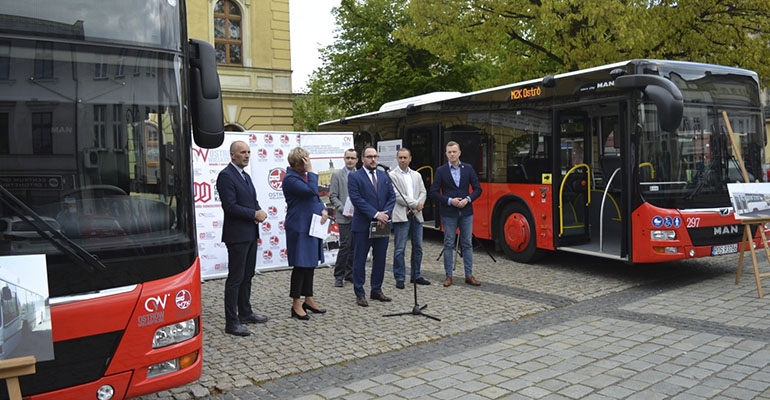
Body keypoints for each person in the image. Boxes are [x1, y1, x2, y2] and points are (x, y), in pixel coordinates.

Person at [216, 140, 269, 336]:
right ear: (233, 155)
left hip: (250, 233)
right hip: (237, 235)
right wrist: (253, 214)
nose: (247, 155)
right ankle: (232, 322)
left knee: (248, 275)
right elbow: (230, 206)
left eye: (248, 152)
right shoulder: (226, 176)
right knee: (235, 279)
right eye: (242, 152)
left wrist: (258, 211)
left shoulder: (245, 176)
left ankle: (245, 313)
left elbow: (251, 201)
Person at [282, 147, 329, 320]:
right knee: (300, 264)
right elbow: (310, 191)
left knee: (310, 263)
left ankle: (308, 298)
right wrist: (311, 171)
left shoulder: (303, 177)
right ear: (296, 164)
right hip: (299, 225)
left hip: (311, 225)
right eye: (304, 162)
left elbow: (315, 198)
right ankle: (296, 303)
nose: (307, 164)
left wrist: (323, 209)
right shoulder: (290, 179)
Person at [429, 141, 483, 287]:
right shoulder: (441, 171)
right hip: (449, 212)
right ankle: (449, 276)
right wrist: (449, 200)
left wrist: (468, 199)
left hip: (466, 211)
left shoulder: (468, 168)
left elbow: (478, 189)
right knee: (448, 243)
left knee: (467, 243)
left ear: (459, 153)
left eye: (454, 152)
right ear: (446, 154)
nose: (452, 154)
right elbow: (433, 192)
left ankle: (469, 275)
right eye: (449, 152)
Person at [348, 146, 396, 307]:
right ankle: (359, 292)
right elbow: (357, 199)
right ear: (363, 159)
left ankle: (376, 289)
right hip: (363, 225)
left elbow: (392, 197)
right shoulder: (355, 177)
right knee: (360, 260)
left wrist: (386, 215)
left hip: (382, 224)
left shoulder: (384, 175)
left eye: (375, 156)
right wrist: (376, 214)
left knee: (380, 258)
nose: (373, 159)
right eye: (369, 157)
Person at [389, 148, 430, 289]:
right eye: (400, 157)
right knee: (400, 249)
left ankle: (416, 275)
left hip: (416, 215)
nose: (402, 160)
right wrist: (415, 204)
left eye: (405, 157)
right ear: (397, 158)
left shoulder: (416, 175)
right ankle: (400, 277)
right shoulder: (392, 175)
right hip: (402, 215)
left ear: (410, 159)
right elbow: (397, 195)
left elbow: (423, 192)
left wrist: (417, 206)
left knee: (418, 247)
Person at [329, 148, 357, 287]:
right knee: (345, 245)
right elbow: (333, 196)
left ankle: (349, 273)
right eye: (348, 158)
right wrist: (343, 209)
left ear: (357, 160)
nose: (350, 160)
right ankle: (339, 275)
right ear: (344, 159)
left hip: (358, 217)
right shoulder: (337, 175)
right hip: (344, 216)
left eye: (352, 158)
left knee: (354, 246)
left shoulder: (360, 175)